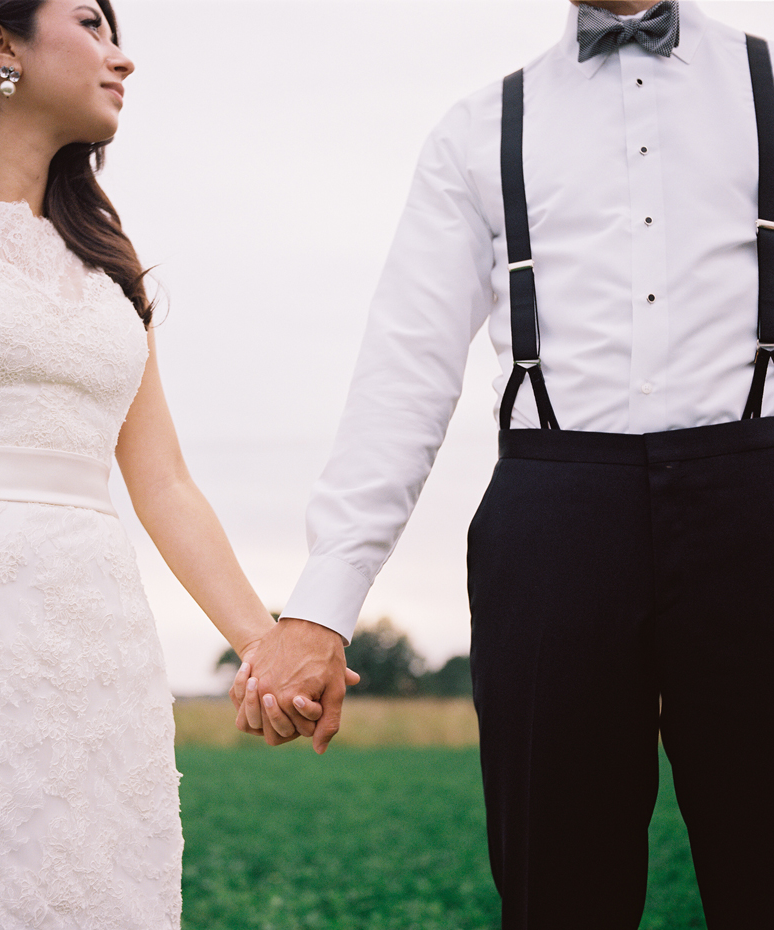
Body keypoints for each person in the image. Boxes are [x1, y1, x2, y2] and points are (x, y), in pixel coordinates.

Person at [233, 1, 774, 927]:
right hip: (555, 513)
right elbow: (405, 367)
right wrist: (323, 604)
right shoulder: (479, 127)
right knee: (559, 883)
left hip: (757, 496)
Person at [0, 1, 356, 926]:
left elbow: (163, 483)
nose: (124, 60)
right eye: (92, 25)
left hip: (97, 650)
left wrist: (263, 641)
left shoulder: (108, 265)